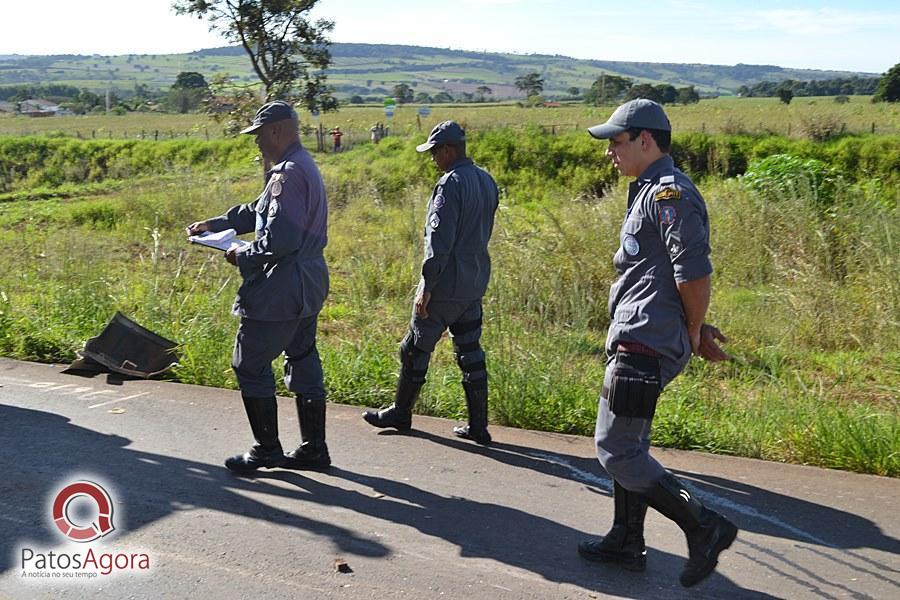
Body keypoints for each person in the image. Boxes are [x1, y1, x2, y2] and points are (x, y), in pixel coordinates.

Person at [578, 99, 737, 587]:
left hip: (646, 341)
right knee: (631, 442)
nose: (611, 153)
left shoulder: (668, 194)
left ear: (646, 140)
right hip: (643, 332)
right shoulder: (649, 191)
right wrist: (696, 327)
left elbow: (693, 272)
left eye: (617, 142)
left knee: (617, 449)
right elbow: (668, 276)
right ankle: (626, 538)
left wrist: (692, 329)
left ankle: (704, 525)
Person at [186, 100, 331, 474]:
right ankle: (314, 448)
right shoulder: (301, 166)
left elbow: (278, 238)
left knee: (248, 361)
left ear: (276, 132)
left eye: (259, 136)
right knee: (302, 357)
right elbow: (259, 211)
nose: (257, 144)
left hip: (282, 284)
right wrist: (215, 224)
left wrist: (241, 255)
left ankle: (267, 450)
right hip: (309, 281)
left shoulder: (287, 174)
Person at [361, 121, 499, 444]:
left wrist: (426, 287)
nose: (433, 159)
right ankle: (479, 426)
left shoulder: (450, 185)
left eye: (435, 152)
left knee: (414, 349)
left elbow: (440, 243)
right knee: (470, 351)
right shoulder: (487, 181)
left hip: (445, 286)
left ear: (448, 150)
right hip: (474, 282)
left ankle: (401, 411)